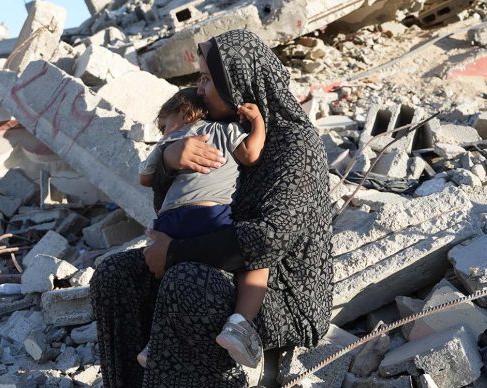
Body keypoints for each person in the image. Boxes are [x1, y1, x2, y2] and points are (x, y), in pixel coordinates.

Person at [90, 29, 333, 387]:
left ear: (235, 80)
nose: (199, 89)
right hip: (216, 264)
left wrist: (174, 254)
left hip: (277, 294)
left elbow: (269, 240)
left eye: (207, 79)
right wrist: (170, 163)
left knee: (187, 281)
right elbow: (175, 208)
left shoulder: (296, 145)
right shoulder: (214, 131)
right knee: (115, 275)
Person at [136, 87, 269, 368]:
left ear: (184, 113)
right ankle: (239, 325)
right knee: (255, 260)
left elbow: (145, 179)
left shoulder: (167, 143)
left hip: (168, 222)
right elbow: (252, 155)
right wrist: (258, 122)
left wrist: (168, 155)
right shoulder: (226, 131)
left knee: (167, 281)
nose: (163, 132)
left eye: (164, 125)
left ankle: (154, 344)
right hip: (210, 214)